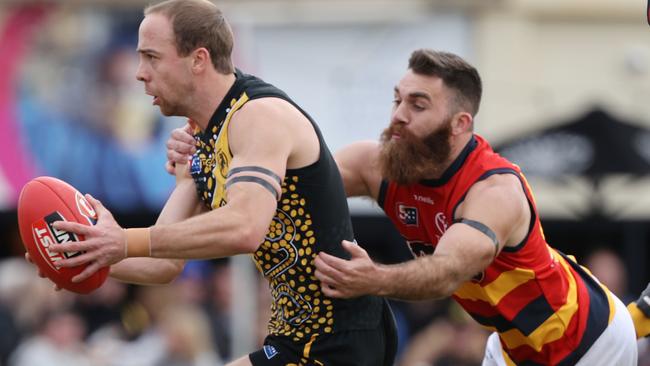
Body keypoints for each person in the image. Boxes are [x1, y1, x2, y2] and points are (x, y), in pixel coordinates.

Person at [166, 49, 643, 364]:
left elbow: (445, 272)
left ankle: (639, 315)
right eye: (397, 99)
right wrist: (204, 165)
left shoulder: (493, 191)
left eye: (418, 105)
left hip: (585, 342)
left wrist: (374, 278)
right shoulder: (379, 164)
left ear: (459, 124)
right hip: (511, 346)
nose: (397, 116)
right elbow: (280, 190)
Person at [42, 1, 397, 365]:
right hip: (300, 339)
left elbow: (245, 227)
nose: (139, 73)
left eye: (151, 57)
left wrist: (123, 240)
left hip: (339, 339)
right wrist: (84, 258)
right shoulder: (205, 135)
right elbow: (164, 265)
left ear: (198, 59)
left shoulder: (257, 116)